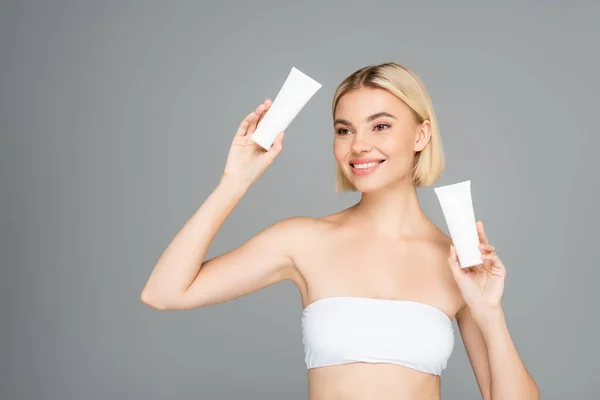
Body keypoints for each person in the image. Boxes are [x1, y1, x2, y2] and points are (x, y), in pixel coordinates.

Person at [140, 62, 539, 400]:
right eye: (344, 130)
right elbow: (164, 293)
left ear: (421, 135)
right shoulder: (303, 241)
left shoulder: (459, 265)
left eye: (380, 126)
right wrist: (234, 181)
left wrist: (490, 313)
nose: (358, 145)